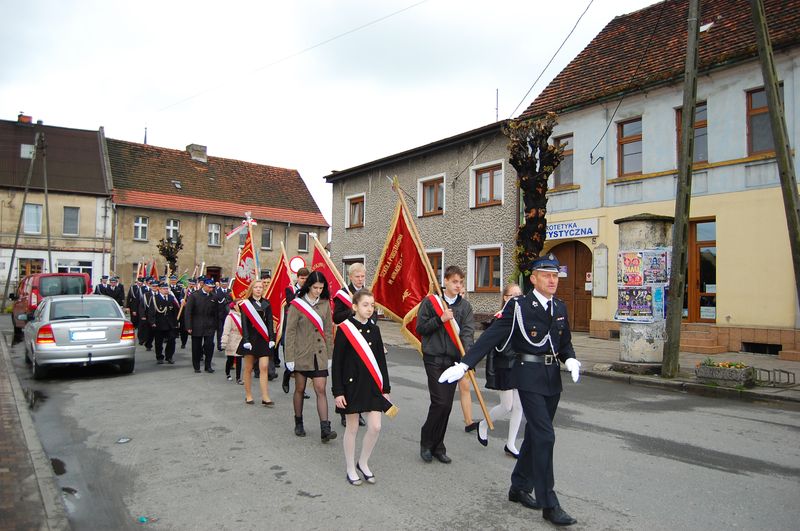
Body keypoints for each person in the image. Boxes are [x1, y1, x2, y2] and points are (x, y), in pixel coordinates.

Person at [439, 253, 581, 526]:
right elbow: (491, 337)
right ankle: (549, 503)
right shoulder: (518, 306)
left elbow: (564, 344)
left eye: (556, 276)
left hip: (552, 379)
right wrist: (465, 364)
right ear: (534, 278)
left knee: (537, 436)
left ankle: (518, 485)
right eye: (547, 275)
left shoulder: (559, 307)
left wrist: (571, 358)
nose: (553, 280)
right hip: (528, 377)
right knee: (546, 436)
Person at [416, 265, 474, 464]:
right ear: (446, 282)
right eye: (455, 282)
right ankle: (426, 440)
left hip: (453, 361)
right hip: (433, 358)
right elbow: (421, 328)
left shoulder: (464, 307)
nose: (458, 286)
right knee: (439, 402)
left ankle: (438, 446)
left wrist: (468, 359)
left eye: (460, 282)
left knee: (447, 405)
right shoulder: (431, 303)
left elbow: (467, 333)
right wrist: (440, 319)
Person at [332, 290, 391, 486]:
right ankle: (350, 467)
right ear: (354, 306)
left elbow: (381, 362)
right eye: (365, 305)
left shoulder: (375, 330)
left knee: (375, 426)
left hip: (373, 385)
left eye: (372, 305)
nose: (369, 309)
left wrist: (386, 389)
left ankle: (363, 462)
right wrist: (338, 391)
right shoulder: (345, 329)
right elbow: (338, 362)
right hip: (351, 385)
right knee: (353, 427)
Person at [284, 270, 337, 442]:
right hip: (302, 354)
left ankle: (325, 428)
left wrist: (330, 354)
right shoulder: (297, 304)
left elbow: (329, 331)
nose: (318, 291)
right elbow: (290, 332)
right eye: (315, 287)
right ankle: (298, 422)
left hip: (320, 354)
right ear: (308, 286)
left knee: (321, 389)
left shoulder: (325, 304)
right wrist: (289, 357)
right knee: (300, 389)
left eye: (321, 288)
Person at [475, 283, 524, 459]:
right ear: (505, 298)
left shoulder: (524, 316)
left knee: (519, 407)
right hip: (505, 365)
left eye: (520, 294)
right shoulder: (501, 317)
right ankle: (483, 424)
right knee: (507, 405)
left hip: (520, 365)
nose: (517, 298)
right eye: (513, 295)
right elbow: (494, 344)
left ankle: (511, 444)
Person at [332, 262, 368, 428]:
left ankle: (358, 410)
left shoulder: (367, 293)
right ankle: (345, 412)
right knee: (348, 376)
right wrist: (351, 311)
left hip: (364, 338)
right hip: (348, 338)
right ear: (350, 277)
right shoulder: (343, 293)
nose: (360, 279)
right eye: (357, 276)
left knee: (362, 376)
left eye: (362, 276)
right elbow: (336, 317)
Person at [237, 279, 276, 406]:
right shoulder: (246, 304)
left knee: (264, 367)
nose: (259, 289)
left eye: (260, 287)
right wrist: (246, 340)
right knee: (248, 368)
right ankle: (248, 395)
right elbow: (244, 324)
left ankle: (265, 397)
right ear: (252, 289)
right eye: (256, 287)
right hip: (251, 339)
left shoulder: (267, 303)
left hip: (263, 339)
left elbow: (270, 322)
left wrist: (271, 338)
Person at [281, 267, 309, 394]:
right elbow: (290, 301)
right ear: (297, 278)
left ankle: (302, 389)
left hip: (304, 326)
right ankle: (287, 375)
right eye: (302, 278)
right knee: (290, 355)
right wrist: (299, 293)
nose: (304, 280)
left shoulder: (310, 291)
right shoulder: (290, 288)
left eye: (306, 279)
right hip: (292, 324)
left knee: (303, 359)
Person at [185, 278, 221, 373]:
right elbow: (188, 312)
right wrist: (188, 326)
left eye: (212, 288)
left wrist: (216, 325)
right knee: (196, 347)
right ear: (204, 285)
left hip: (209, 326)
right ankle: (196, 366)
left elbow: (216, 312)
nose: (211, 289)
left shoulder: (214, 297)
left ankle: (208, 365)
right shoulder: (194, 296)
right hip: (197, 325)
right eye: (209, 287)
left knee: (209, 346)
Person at [147, 282, 180, 364]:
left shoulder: (171, 298)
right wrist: (152, 322)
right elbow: (151, 311)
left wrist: (176, 322)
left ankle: (169, 356)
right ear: (160, 289)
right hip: (159, 323)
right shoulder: (155, 298)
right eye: (164, 289)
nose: (166, 290)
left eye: (167, 289)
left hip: (170, 323)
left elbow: (175, 311)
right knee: (158, 341)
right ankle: (159, 356)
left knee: (172, 340)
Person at [221, 302, 244, 384]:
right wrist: (224, 342)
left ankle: (238, 378)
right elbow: (226, 330)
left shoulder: (243, 315)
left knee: (239, 359)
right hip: (231, 339)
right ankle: (227, 373)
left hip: (240, 339)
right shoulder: (230, 317)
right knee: (230, 359)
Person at [215, 277, 233, 351]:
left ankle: (227, 344)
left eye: (225, 284)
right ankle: (220, 345)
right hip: (220, 314)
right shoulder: (217, 291)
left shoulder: (230, 291)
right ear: (220, 284)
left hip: (228, 314)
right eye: (223, 284)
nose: (224, 285)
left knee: (228, 330)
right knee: (220, 330)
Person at [137, 277, 155, 351]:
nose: (155, 287)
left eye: (156, 286)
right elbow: (141, 306)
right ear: (150, 286)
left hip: (157, 317)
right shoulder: (146, 295)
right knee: (149, 331)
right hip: (148, 316)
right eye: (153, 286)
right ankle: (148, 344)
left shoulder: (160, 294)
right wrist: (143, 315)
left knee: (155, 333)